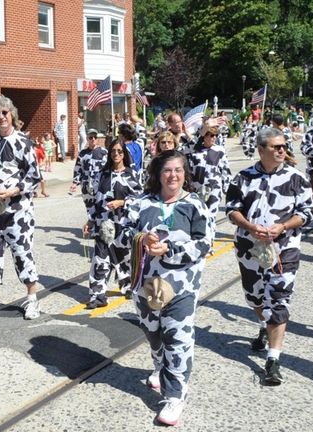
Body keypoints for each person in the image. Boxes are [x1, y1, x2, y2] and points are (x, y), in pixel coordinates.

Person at [115, 150, 214, 426]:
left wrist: (169, 250)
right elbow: (122, 234)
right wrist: (141, 238)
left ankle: (175, 396)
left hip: (181, 286)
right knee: (153, 333)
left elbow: (205, 243)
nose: (173, 176)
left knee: (178, 338)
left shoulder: (195, 204)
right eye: (167, 170)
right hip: (146, 284)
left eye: (178, 170)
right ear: (158, 174)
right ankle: (159, 365)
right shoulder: (140, 203)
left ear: (185, 174)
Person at [225, 128, 313, 386]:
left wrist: (283, 226)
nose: (282, 150)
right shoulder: (243, 178)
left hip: (284, 250)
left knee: (279, 299)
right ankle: (265, 324)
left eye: (284, 146)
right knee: (254, 296)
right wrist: (251, 227)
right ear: (261, 149)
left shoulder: (296, 178)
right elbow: (232, 210)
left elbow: (307, 212)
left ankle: (273, 359)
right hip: (249, 247)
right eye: (275, 147)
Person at [0, 95, 43, 323]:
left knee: (22, 254)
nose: (1, 117)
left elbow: (34, 176)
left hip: (19, 211)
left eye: (4, 112)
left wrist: (14, 190)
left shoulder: (23, 141)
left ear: (12, 114)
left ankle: (32, 299)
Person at [83, 139, 141, 307]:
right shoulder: (102, 174)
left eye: (119, 151)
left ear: (124, 154)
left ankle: (129, 284)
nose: (116, 154)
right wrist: (90, 220)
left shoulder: (131, 174)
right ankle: (97, 296)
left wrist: (121, 202)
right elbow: (95, 200)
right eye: (113, 151)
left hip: (123, 224)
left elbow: (140, 199)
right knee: (100, 260)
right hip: (104, 225)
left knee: (125, 258)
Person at [186, 120, 232, 219]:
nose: (214, 138)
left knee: (211, 216)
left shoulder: (219, 150)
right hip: (197, 187)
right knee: (197, 215)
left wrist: (228, 189)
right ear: (204, 137)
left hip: (214, 187)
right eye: (211, 135)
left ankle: (210, 234)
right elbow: (189, 169)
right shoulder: (194, 150)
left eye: (216, 135)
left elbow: (225, 170)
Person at [70, 128, 109, 219]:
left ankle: (100, 226)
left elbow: (108, 168)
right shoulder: (83, 154)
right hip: (86, 185)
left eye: (95, 137)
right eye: (91, 137)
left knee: (101, 206)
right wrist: (75, 182)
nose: (93, 139)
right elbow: (78, 168)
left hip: (100, 185)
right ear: (87, 139)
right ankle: (92, 227)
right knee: (90, 208)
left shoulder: (104, 152)